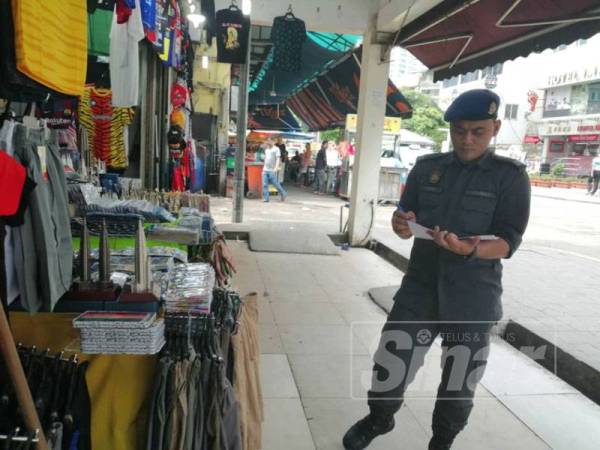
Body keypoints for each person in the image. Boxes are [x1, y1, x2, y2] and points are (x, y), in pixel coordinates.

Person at [343, 89, 531, 450]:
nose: (466, 139)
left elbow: (508, 242)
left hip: (473, 296)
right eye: (459, 131)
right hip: (421, 288)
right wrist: (401, 223)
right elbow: (405, 214)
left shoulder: (510, 177)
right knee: (390, 364)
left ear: (495, 128)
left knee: (459, 384)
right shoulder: (427, 168)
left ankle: (442, 441)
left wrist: (470, 249)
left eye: (477, 131)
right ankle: (379, 419)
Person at [262, 138, 287, 202]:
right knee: (264, 184)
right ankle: (266, 198)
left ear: (273, 142)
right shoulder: (266, 149)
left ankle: (283, 193)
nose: (268, 142)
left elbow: (278, 159)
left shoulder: (276, 149)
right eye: (268, 141)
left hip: (272, 170)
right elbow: (265, 157)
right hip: (265, 169)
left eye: (269, 141)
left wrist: (276, 168)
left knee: (275, 183)